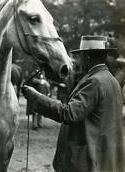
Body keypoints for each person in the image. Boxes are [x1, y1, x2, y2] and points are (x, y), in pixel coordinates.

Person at [22, 35, 125, 172]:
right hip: (104, 158)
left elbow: (69, 113)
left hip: (88, 160)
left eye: (80, 56)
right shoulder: (112, 81)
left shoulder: (94, 81)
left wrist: (37, 97)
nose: (78, 60)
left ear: (87, 57)